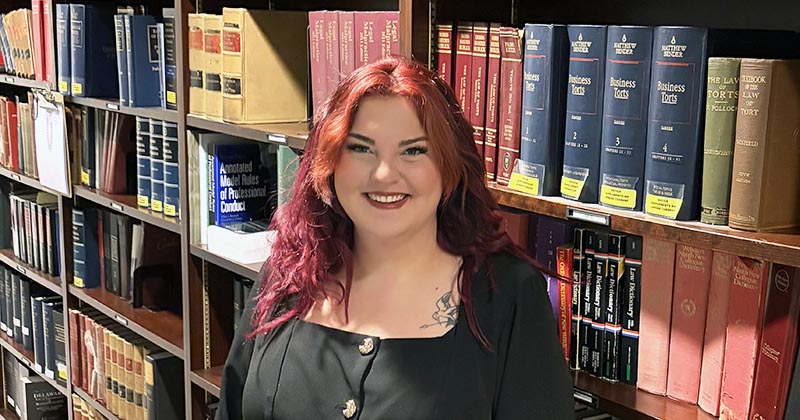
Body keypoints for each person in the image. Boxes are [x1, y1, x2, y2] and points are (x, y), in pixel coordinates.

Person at [216, 57, 573, 420]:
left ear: (450, 167)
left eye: (414, 151)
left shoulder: (509, 297)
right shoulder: (287, 273)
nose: (384, 174)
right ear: (330, 161)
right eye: (360, 148)